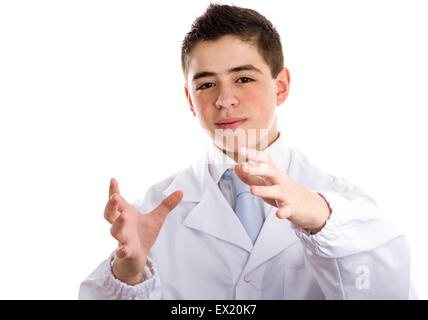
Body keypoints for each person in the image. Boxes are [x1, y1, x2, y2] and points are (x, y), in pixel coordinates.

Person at [79, 4, 415, 299]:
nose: (224, 100)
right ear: (190, 101)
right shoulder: (151, 214)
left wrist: (319, 217)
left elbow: (390, 291)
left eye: (243, 79)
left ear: (280, 86)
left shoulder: (343, 205)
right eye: (206, 84)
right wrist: (129, 274)